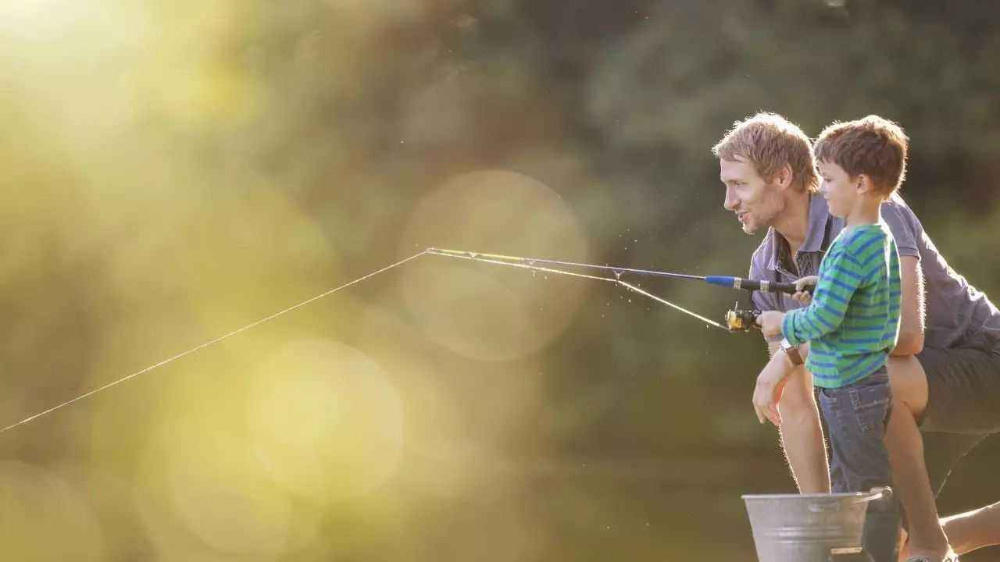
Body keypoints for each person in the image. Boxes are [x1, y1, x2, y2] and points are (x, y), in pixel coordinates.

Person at [712, 112, 1000, 562]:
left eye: (739, 185)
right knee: (878, 545)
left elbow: (906, 336)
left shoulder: (870, 213)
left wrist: (788, 355)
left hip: (982, 360)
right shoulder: (765, 267)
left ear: (782, 177)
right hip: (897, 398)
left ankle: (926, 544)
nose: (728, 201)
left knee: (865, 375)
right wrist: (825, 531)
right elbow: (796, 399)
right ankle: (916, 543)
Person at [754, 115, 904, 562]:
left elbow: (824, 321)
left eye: (830, 179)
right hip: (858, 384)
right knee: (851, 479)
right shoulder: (873, 238)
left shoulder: (853, 242)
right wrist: (822, 282)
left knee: (863, 488)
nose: (822, 187)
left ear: (860, 183)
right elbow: (854, 297)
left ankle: (879, 554)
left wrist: (783, 323)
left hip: (851, 389)